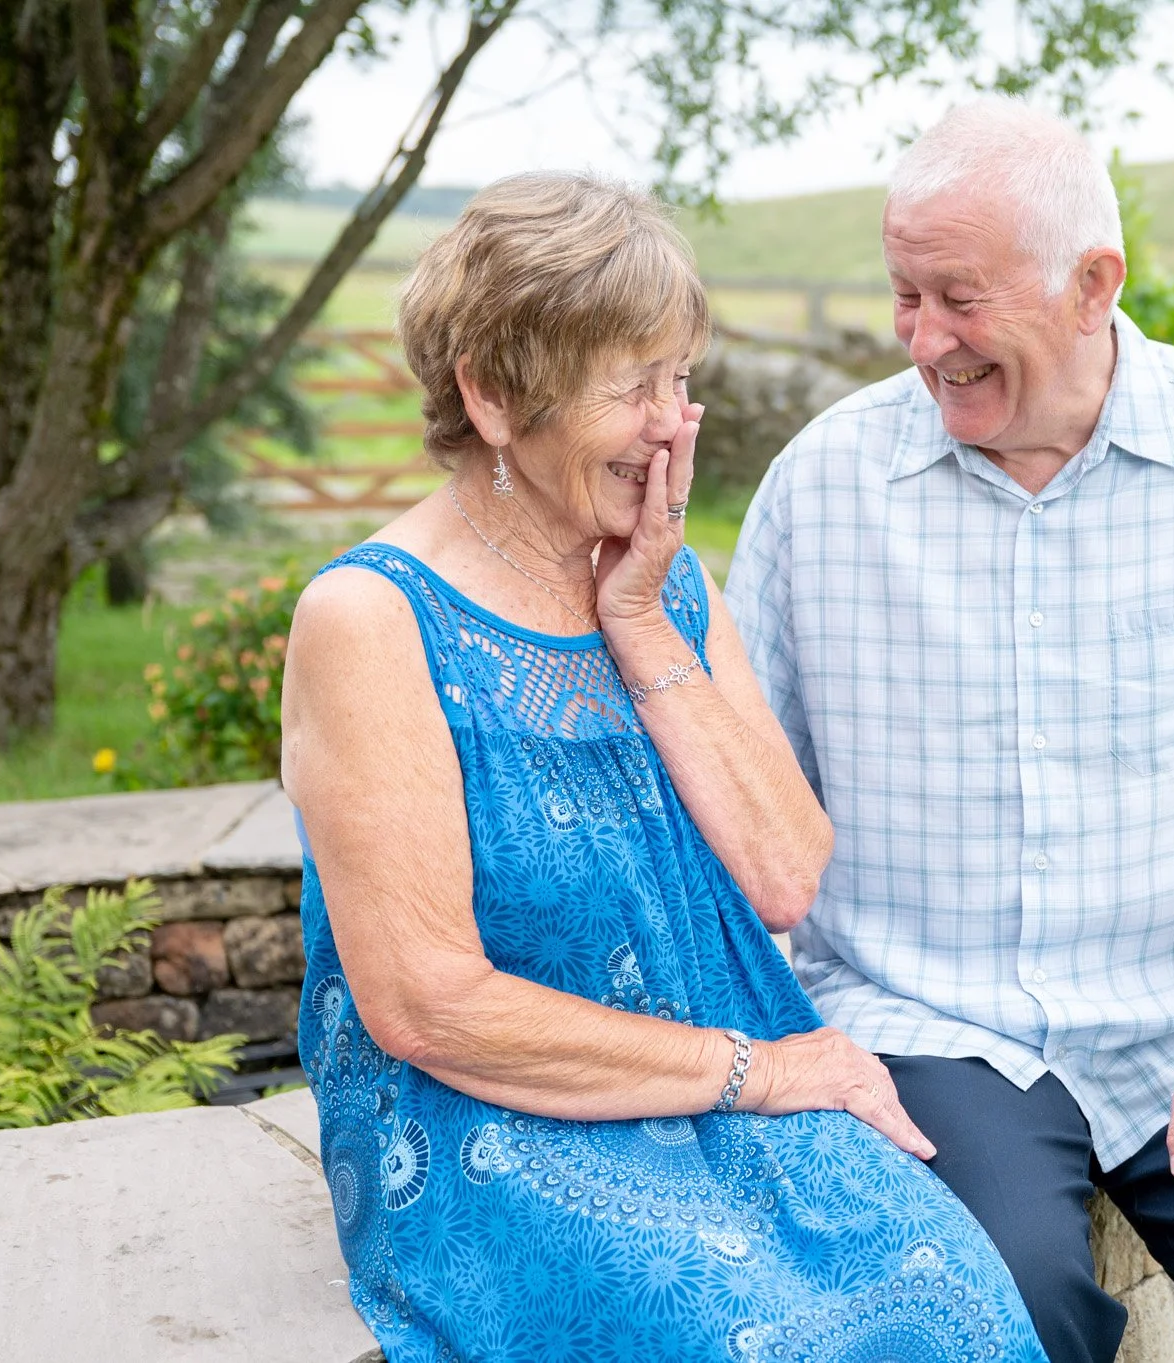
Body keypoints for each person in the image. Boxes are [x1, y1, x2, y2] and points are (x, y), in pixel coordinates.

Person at [281, 172, 1048, 1363]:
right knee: (758, 1337)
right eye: (631, 386)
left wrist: (640, 626)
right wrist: (754, 1069)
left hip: (720, 1083)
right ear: (491, 395)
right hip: (496, 1118)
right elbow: (427, 1005)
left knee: (960, 1303)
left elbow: (787, 874)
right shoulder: (371, 621)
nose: (670, 424)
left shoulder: (667, 585)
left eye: (678, 380)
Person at [726, 99, 1174, 1362]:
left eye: (958, 298)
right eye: (901, 295)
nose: (921, 338)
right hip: (930, 1022)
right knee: (1011, 1313)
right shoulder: (819, 484)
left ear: (1092, 282)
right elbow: (742, 799)